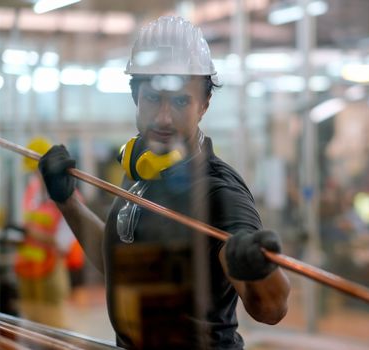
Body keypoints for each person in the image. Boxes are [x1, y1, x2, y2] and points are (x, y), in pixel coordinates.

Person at [37, 16, 290, 349]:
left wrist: (259, 271)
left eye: (181, 101)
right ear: (136, 98)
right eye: (153, 98)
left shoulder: (219, 191)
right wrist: (67, 201)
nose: (163, 118)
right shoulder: (144, 168)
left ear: (204, 105)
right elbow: (118, 263)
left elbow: (271, 310)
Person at [14, 137, 84, 328]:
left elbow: (63, 243)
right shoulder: (32, 190)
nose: (35, 176)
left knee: (54, 326)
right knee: (32, 326)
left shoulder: (67, 196)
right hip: (27, 269)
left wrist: (34, 235)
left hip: (50, 270)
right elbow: (26, 222)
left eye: (37, 171)